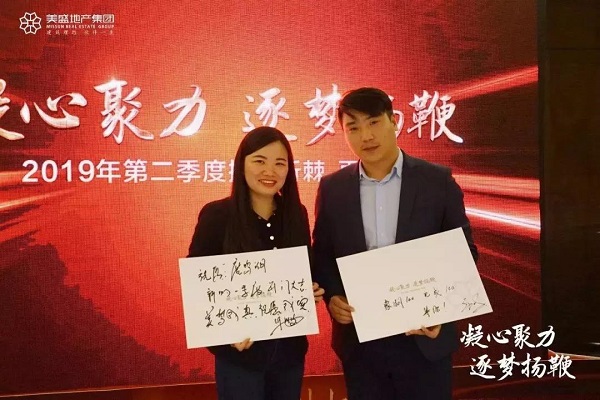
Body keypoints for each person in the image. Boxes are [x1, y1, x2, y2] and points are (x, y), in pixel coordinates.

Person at [312, 87, 478, 400]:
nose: (366, 136)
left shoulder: (436, 181)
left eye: (374, 122)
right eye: (353, 127)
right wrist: (333, 297)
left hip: (423, 337)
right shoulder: (333, 188)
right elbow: (322, 254)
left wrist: (440, 311)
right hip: (361, 341)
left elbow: (464, 252)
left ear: (394, 121)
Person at [187, 126, 325, 400]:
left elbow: (304, 270)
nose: (269, 171)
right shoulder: (217, 215)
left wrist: (311, 292)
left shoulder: (296, 213)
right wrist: (224, 337)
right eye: (259, 161)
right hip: (241, 356)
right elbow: (197, 288)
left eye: (280, 163)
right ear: (242, 164)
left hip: (289, 353)